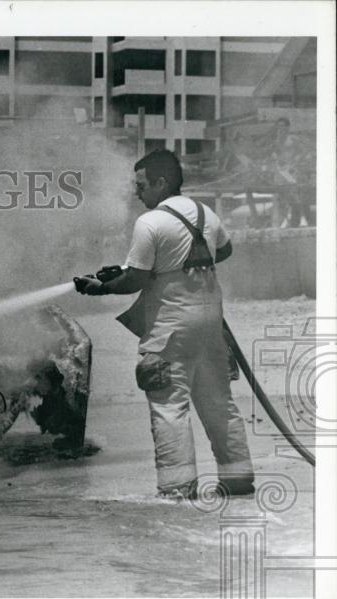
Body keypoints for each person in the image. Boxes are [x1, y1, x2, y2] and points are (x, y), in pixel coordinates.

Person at [75, 149, 254, 498]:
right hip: (211, 328)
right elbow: (225, 250)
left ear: (161, 182)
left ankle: (177, 491)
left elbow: (135, 281)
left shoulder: (151, 222)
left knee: (170, 407)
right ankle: (238, 482)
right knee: (220, 405)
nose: (136, 192)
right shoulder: (206, 212)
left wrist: (100, 288)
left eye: (141, 185)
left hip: (171, 331)